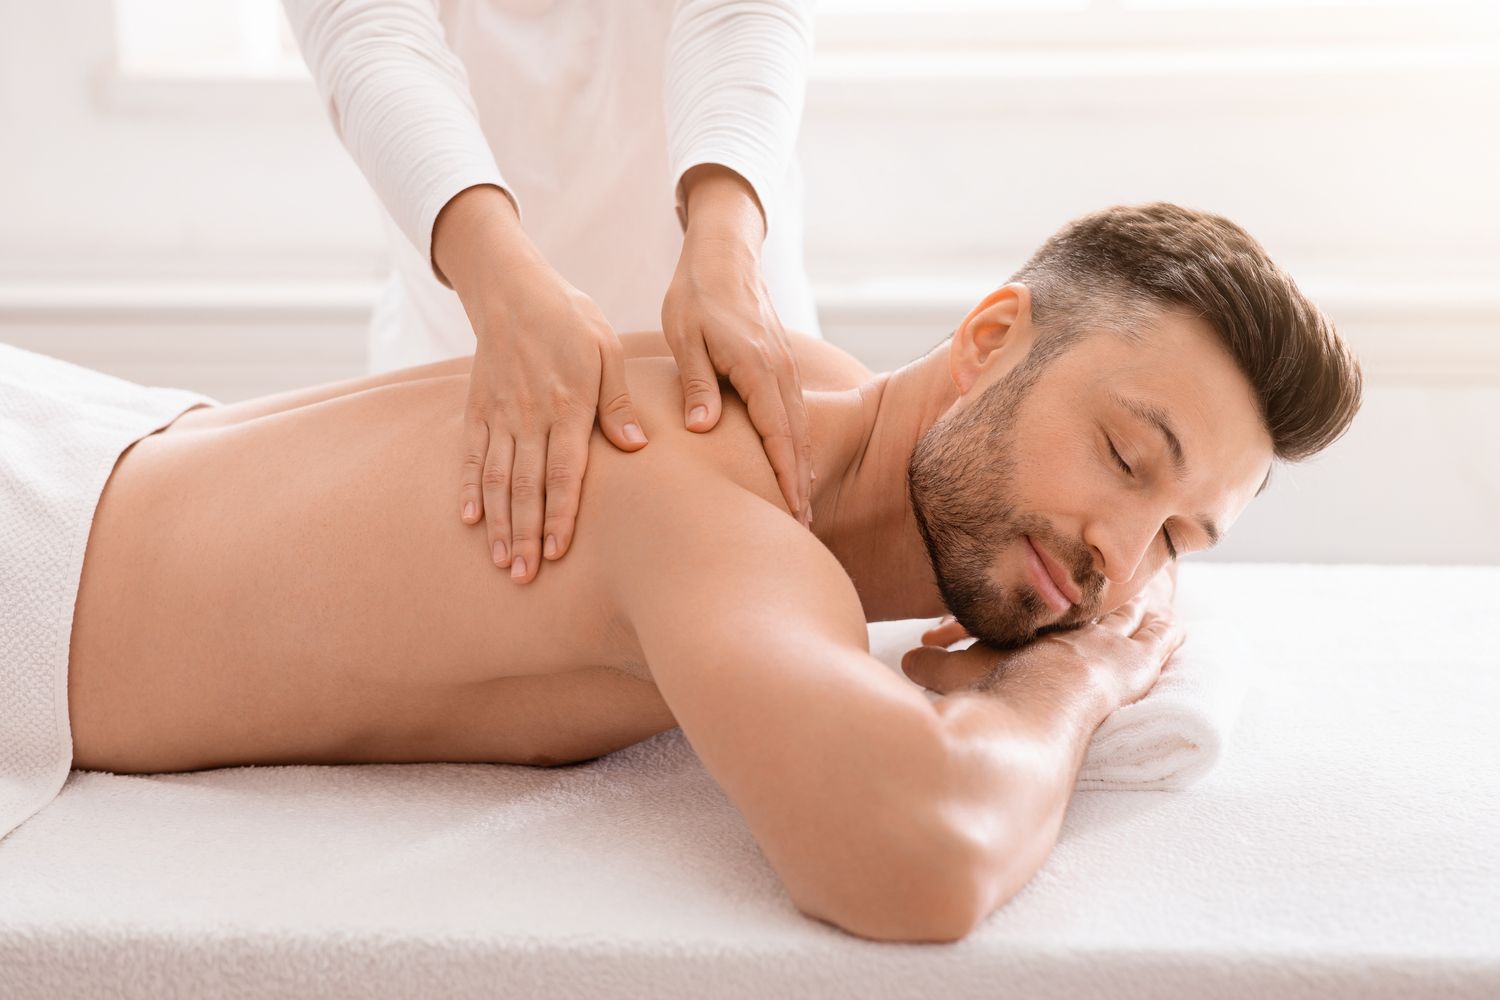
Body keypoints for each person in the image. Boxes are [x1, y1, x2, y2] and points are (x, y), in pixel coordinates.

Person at [57, 203, 1359, 941]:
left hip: (88, 439)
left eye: (1182, 540)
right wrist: (1071, 684)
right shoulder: (723, 513)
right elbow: (919, 858)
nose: (1122, 569)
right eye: (1130, 457)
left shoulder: (817, 393)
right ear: (988, 339)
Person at [281, 0, 821, 588]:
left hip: (729, 302)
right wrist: (498, 286)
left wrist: (724, 246)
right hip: (467, 339)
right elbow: (368, 31)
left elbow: (744, 10)